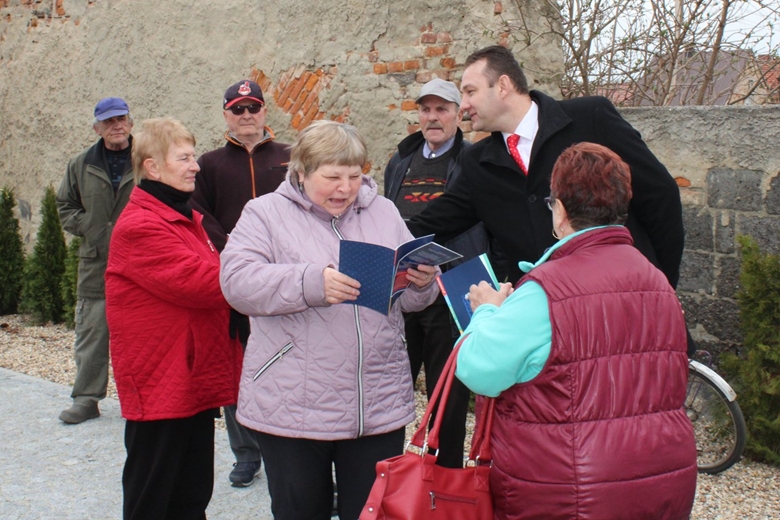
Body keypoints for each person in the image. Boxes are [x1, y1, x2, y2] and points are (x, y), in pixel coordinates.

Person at [455, 142, 698, 519]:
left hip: (570, 490)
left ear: (561, 210)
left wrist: (486, 311)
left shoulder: (544, 292)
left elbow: (478, 370)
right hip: (663, 480)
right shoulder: (657, 281)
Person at [220, 120, 440, 520]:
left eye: (354, 176)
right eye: (333, 177)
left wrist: (421, 283)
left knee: (371, 513)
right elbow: (236, 282)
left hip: (376, 402)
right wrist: (310, 282)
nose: (345, 188)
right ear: (302, 172)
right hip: (293, 404)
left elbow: (409, 300)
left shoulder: (383, 211)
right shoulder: (265, 213)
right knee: (300, 511)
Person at [406, 45, 684, 290]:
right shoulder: (477, 163)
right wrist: (380, 226)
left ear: (502, 86)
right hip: (545, 318)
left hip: (623, 299)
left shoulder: (590, 118)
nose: (464, 105)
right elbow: (432, 225)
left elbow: (660, 195)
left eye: (470, 92)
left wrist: (662, 284)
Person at [105, 117, 242, 519]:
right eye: (183, 158)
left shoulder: (183, 216)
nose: (195, 166)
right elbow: (202, 283)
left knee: (191, 492)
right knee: (154, 494)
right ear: (152, 167)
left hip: (190, 375)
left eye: (192, 156)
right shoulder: (142, 226)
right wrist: (265, 276)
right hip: (161, 381)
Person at [384, 78, 487, 468]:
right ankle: (387, 472)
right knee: (393, 385)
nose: (432, 117)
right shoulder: (400, 160)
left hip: (450, 289)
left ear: (458, 114)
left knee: (449, 394)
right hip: (404, 287)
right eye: (425, 109)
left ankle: (446, 477)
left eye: (441, 109)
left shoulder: (473, 160)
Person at [191, 78, 290, 487]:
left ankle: (293, 448)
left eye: (253, 107)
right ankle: (246, 453)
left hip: (287, 278)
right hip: (237, 279)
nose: (246, 115)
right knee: (240, 365)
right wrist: (232, 247)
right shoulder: (209, 164)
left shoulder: (291, 157)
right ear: (226, 115)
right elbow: (199, 214)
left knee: (288, 361)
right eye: (238, 109)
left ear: (265, 111)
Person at [56, 97, 134, 424]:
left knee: (141, 336)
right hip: (95, 263)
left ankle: (142, 403)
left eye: (121, 119)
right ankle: (86, 399)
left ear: (130, 123)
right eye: (108, 121)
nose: (116, 126)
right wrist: (90, 227)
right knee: (91, 333)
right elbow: (65, 205)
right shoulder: (81, 164)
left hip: (139, 264)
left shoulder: (147, 159)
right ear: (96, 128)